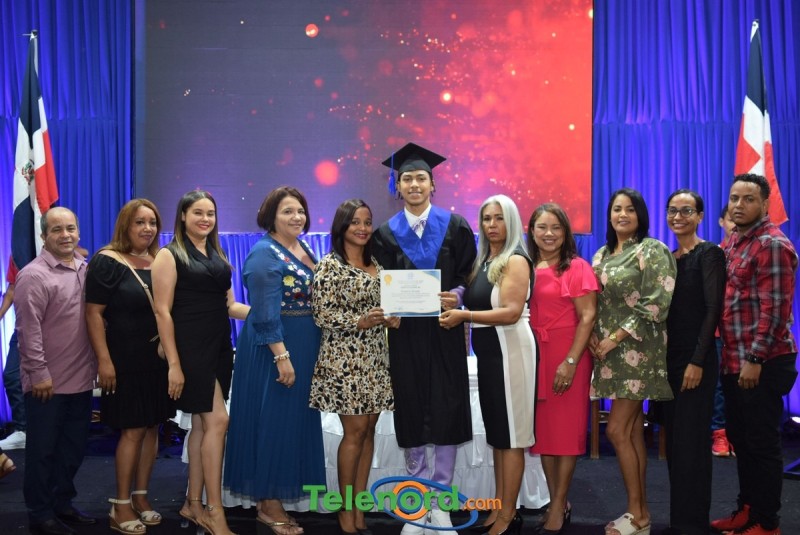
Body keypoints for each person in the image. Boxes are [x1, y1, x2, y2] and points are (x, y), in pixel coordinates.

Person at [371, 143, 477, 535]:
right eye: (406, 179)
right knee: (412, 407)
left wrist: (459, 295)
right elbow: (380, 281)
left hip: (445, 330)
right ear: (397, 186)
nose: (414, 185)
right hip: (405, 335)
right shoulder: (385, 234)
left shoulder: (456, 226)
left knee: (447, 407)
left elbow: (468, 274)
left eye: (420, 178)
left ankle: (441, 501)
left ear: (433, 184)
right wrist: (388, 308)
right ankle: (416, 501)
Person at [224, 186, 325, 535]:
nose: (296, 217)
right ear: (271, 216)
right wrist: (282, 356)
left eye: (300, 210)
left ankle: (273, 499)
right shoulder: (263, 254)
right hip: (274, 350)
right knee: (272, 423)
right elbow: (266, 313)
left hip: (302, 346)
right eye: (287, 211)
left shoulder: (301, 247)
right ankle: (267, 505)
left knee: (290, 424)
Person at [152, 190, 250, 535]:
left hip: (220, 346)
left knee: (201, 425)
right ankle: (214, 511)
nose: (205, 219)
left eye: (210, 213)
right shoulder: (168, 255)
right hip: (189, 349)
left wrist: (269, 314)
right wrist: (174, 364)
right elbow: (162, 312)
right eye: (198, 212)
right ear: (183, 215)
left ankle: (192, 503)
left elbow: (230, 306)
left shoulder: (218, 254)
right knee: (218, 421)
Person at [439, 194, 536, 535]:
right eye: (486, 218)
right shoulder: (485, 259)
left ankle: (509, 516)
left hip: (511, 353)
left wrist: (463, 315)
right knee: (499, 435)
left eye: (499, 218)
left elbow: (511, 312)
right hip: (491, 355)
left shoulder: (516, 259)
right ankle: (499, 509)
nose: (492, 225)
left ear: (512, 221)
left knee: (512, 437)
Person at [711, 174, 798, 535]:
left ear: (764, 204)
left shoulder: (771, 245)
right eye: (734, 198)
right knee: (742, 441)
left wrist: (756, 359)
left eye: (748, 199)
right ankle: (747, 510)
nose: (738, 205)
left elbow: (775, 310)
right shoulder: (735, 240)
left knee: (761, 444)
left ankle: (767, 521)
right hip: (735, 359)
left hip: (762, 361)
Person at [588, 188, 676, 535]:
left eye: (629, 209)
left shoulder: (652, 249)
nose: (622, 215)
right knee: (632, 432)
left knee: (615, 430)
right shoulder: (601, 254)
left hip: (638, 351)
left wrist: (615, 337)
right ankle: (640, 515)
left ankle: (637, 514)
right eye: (616, 209)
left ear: (640, 215)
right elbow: (595, 302)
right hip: (607, 353)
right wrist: (593, 335)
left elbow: (656, 302)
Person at [85, 199, 175, 534]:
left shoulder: (161, 260)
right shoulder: (107, 261)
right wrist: (104, 360)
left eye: (152, 222)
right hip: (124, 360)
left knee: (152, 427)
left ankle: (141, 497)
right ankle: (120, 503)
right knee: (133, 429)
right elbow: (93, 314)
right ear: (126, 225)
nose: (147, 228)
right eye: (140, 222)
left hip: (157, 360)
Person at [309, 198, 397, 535]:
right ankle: (345, 510)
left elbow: (388, 304)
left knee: (369, 430)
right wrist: (359, 321)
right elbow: (322, 314)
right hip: (345, 360)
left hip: (375, 357)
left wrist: (394, 316)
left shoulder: (377, 263)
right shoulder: (329, 266)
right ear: (342, 226)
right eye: (355, 222)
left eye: (367, 221)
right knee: (355, 432)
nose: (362, 228)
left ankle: (359, 506)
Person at [15, 207, 98, 535]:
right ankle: (40, 514)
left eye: (71, 228)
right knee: (42, 453)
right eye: (57, 230)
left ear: (78, 231)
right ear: (43, 236)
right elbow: (28, 330)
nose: (65, 235)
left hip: (81, 380)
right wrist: (39, 374)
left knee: (71, 451)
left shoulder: (85, 269)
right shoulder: (33, 276)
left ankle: (62, 504)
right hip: (47, 384)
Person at [527, 203, 599, 534]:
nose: (549, 234)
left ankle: (557, 505)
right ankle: (557, 501)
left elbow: (587, 317)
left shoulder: (577, 267)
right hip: (536, 356)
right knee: (545, 435)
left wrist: (570, 361)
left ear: (566, 232)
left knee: (566, 434)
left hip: (568, 353)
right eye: (542, 227)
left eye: (556, 227)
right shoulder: (526, 267)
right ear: (531, 231)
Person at [661, 190, 725, 535]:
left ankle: (693, 524)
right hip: (668, 362)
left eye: (686, 210)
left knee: (692, 444)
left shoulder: (709, 254)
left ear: (700, 216)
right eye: (673, 210)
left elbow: (713, 310)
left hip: (696, 360)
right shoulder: (668, 259)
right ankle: (680, 521)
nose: (678, 216)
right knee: (675, 444)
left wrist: (697, 360)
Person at [711, 205, 737, 458]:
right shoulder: (715, 255)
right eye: (730, 220)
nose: (735, 225)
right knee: (719, 385)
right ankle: (719, 433)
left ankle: (738, 433)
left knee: (743, 384)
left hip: (746, 333)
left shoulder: (758, 250)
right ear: (721, 222)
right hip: (719, 331)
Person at [0, 259, 26, 451]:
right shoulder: (17, 255)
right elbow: (12, 289)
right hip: (23, 328)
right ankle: (23, 430)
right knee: (12, 376)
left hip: (53, 329)